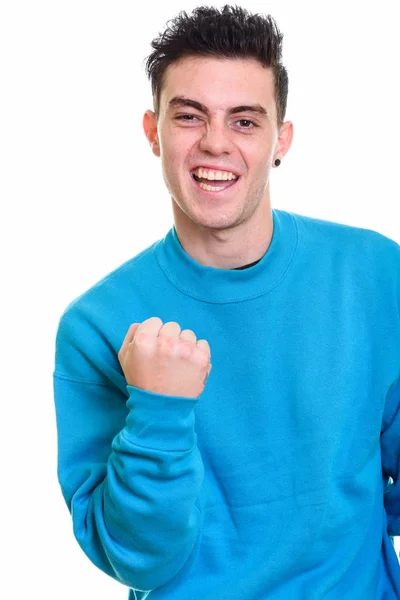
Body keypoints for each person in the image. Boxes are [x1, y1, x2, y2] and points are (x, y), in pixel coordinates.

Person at [53, 5, 400, 599]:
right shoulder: (97, 326)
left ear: (280, 139)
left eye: (245, 121)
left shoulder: (374, 273)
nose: (215, 144)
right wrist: (159, 411)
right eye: (189, 117)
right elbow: (140, 561)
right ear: (152, 131)